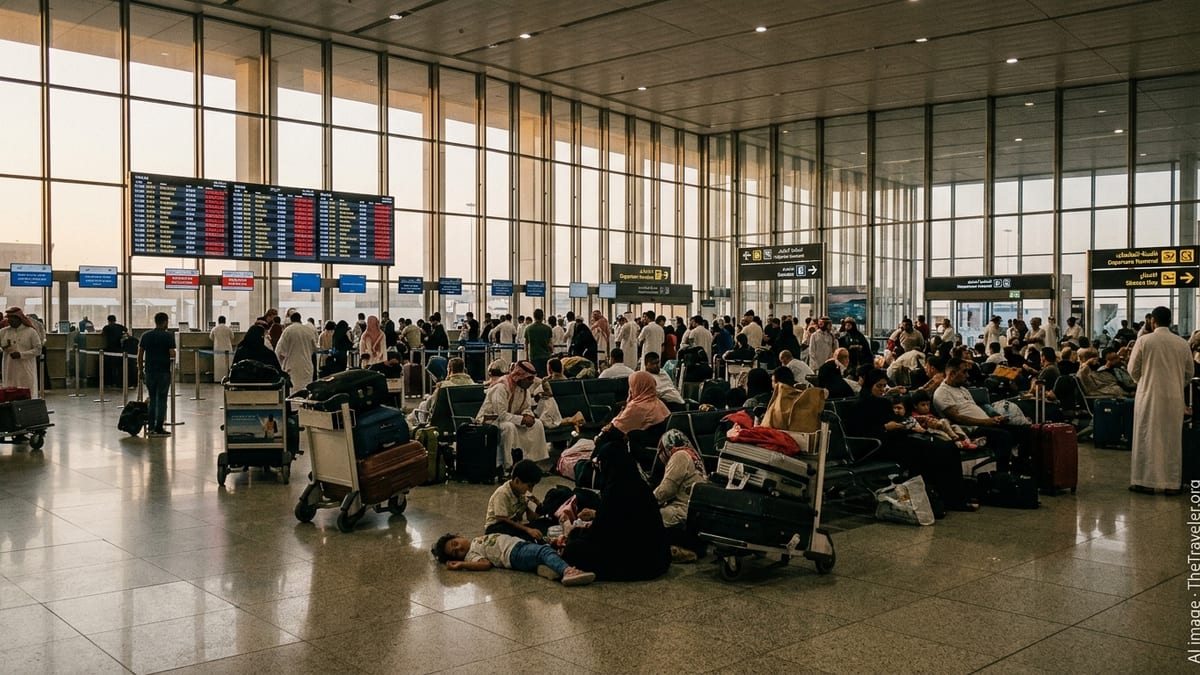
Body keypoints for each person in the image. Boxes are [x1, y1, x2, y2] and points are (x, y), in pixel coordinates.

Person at [562, 407, 672, 582]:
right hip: (657, 559)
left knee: (573, 550)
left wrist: (576, 533)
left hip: (635, 562)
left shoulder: (614, 491)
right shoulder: (640, 486)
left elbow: (602, 534)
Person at [857, 370, 978, 511]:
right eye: (879, 386)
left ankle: (952, 496)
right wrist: (884, 427)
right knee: (932, 450)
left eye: (884, 386)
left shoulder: (882, 402)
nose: (882, 390)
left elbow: (896, 421)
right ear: (870, 385)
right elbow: (861, 432)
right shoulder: (861, 405)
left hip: (898, 439)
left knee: (948, 447)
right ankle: (944, 499)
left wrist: (904, 425)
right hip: (880, 445)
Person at [1128, 306, 1193, 495]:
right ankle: (1172, 483)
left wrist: (1144, 380)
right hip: (1174, 397)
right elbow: (1189, 372)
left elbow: (1133, 370)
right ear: (1170, 321)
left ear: (1152, 321)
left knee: (1145, 436)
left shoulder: (1143, 341)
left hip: (1148, 395)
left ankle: (1143, 481)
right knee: (1171, 439)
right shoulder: (1182, 343)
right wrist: (1176, 383)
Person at [934, 357, 1025, 472]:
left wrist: (993, 418)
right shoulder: (942, 393)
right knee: (1004, 436)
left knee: (1024, 431)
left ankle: (1022, 470)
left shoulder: (963, 389)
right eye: (964, 372)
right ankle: (1002, 474)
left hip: (986, 424)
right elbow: (957, 418)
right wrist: (985, 422)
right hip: (972, 429)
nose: (967, 375)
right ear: (952, 373)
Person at [432, 531, 595, 586]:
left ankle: (546, 569)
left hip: (518, 547)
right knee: (543, 552)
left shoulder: (475, 541)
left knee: (541, 553)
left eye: (455, 543)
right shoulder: (471, 555)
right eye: (455, 552)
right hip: (513, 554)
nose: (459, 548)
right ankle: (567, 571)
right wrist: (462, 564)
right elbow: (485, 564)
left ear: (458, 536)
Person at [477, 360, 549, 469]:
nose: (531, 382)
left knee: (537, 424)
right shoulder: (501, 387)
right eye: (529, 379)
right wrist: (522, 420)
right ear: (520, 377)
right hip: (490, 421)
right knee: (508, 427)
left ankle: (532, 463)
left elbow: (526, 408)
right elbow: (501, 415)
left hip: (511, 419)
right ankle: (508, 466)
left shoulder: (524, 389)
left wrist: (528, 416)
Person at [483, 460, 550, 541]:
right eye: (529, 486)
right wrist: (527, 530)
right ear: (517, 481)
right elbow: (502, 519)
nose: (531, 490)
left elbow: (531, 518)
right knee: (524, 535)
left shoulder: (522, 493)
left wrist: (538, 503)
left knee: (543, 525)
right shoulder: (502, 493)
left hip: (514, 526)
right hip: (497, 527)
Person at [137, 312, 176, 437]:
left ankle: (151, 427)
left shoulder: (146, 335)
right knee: (162, 399)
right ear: (165, 322)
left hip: (149, 371)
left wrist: (140, 370)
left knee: (152, 398)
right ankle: (159, 427)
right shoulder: (168, 336)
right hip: (163, 371)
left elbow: (140, 354)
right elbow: (172, 353)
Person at [1, 307, 43, 397]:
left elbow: (38, 350)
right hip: (9, 369)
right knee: (9, 393)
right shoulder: (3, 332)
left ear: (19, 318)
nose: (10, 320)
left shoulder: (31, 332)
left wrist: (21, 355)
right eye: (9, 318)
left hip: (26, 370)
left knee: (27, 394)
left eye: (13, 318)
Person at [275, 313, 317, 389]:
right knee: (306, 390)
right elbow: (315, 349)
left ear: (291, 320)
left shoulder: (288, 331)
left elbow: (280, 351)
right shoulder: (308, 331)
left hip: (292, 366)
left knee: (294, 391)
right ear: (300, 318)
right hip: (307, 366)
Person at [524, 308, 554, 376]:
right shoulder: (547, 328)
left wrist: (527, 358)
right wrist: (552, 352)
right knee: (545, 376)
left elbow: (526, 344)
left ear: (534, 317)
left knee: (535, 377)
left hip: (534, 357)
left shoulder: (528, 329)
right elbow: (550, 343)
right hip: (546, 356)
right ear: (542, 317)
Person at [100, 314, 127, 386]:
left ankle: (110, 382)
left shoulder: (106, 327)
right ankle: (118, 382)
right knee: (118, 366)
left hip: (109, 349)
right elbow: (126, 331)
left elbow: (102, 334)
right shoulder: (120, 327)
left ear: (108, 321)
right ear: (115, 320)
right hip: (119, 349)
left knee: (109, 367)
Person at [210, 315, 235, 381]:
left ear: (218, 321)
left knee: (218, 364)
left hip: (217, 348)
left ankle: (218, 379)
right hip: (227, 348)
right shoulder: (228, 328)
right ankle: (227, 378)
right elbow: (232, 337)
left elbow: (211, 337)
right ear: (225, 321)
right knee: (228, 364)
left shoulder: (215, 328)